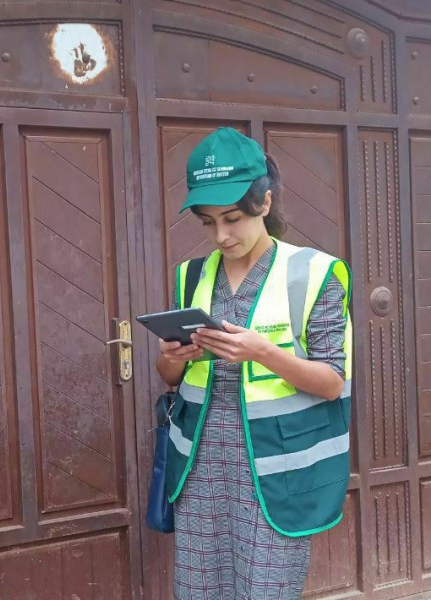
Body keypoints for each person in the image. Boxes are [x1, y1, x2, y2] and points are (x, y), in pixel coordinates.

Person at [156, 128, 352, 599]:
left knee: (265, 590)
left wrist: (261, 351)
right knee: (199, 591)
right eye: (207, 222)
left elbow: (331, 383)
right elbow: (172, 379)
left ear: (264, 203)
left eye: (233, 218)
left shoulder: (314, 273)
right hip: (202, 468)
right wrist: (172, 359)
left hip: (277, 472)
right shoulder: (193, 275)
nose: (221, 236)